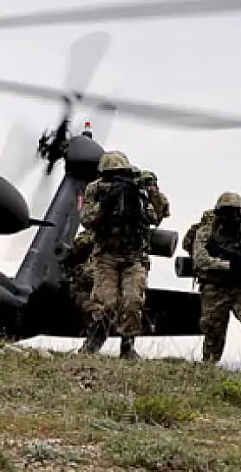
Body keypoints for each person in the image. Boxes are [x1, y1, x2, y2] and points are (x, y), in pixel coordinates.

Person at [79, 150, 167, 359]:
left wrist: (151, 191)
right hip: (106, 256)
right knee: (104, 303)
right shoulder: (94, 190)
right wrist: (107, 203)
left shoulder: (138, 189)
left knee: (133, 300)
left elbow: (157, 215)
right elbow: (86, 219)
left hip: (134, 256)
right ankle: (92, 344)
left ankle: (127, 347)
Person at [189, 192, 241, 379]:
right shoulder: (205, 231)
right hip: (214, 288)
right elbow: (200, 260)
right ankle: (208, 369)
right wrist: (228, 266)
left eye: (238, 213)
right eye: (230, 213)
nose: (234, 218)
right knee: (214, 332)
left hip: (240, 289)